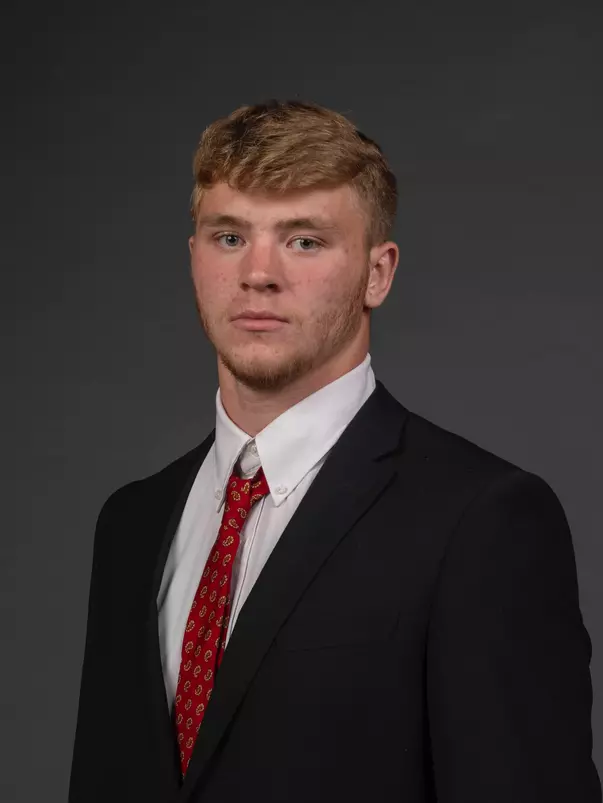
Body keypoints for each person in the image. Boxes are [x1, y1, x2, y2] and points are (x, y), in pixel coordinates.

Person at [68, 99, 601, 803]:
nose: (257, 273)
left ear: (377, 274)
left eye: (304, 241)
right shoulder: (131, 522)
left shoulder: (480, 520)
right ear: (193, 256)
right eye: (229, 237)